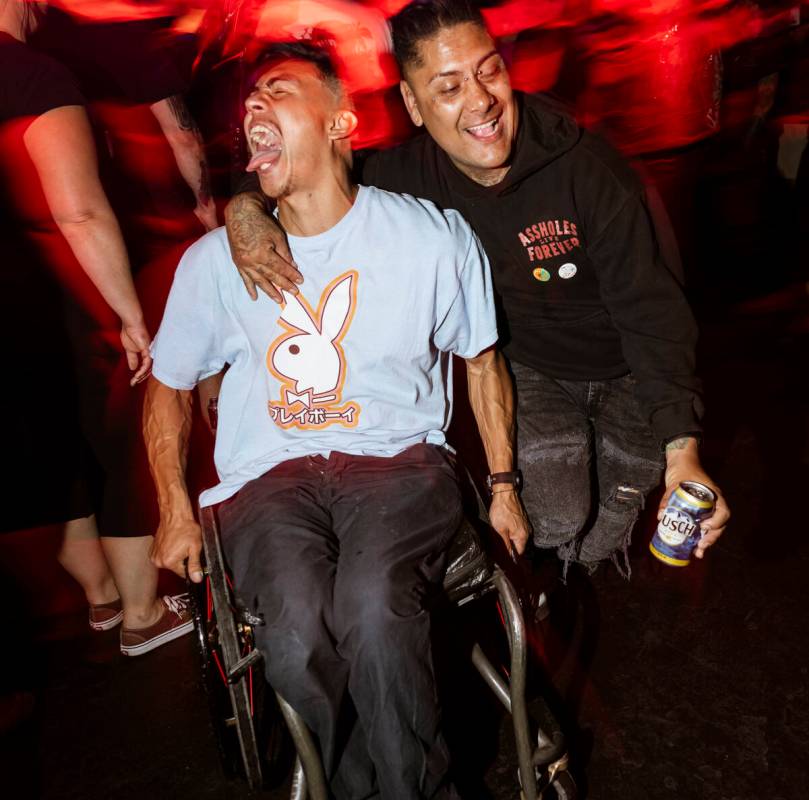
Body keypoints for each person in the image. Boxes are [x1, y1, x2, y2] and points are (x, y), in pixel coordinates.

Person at [145, 41, 529, 799]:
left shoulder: (428, 239)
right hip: (268, 479)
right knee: (291, 623)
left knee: (370, 603)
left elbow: (482, 363)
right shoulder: (216, 261)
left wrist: (504, 485)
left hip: (397, 464)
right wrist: (171, 512)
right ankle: (362, 780)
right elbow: (166, 386)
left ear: (339, 123)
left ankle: (399, 789)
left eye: (277, 92)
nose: (253, 105)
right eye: (249, 98)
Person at [225, 0, 730, 574]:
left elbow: (652, 314)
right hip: (531, 367)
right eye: (448, 87)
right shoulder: (406, 175)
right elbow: (311, 163)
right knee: (559, 514)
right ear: (413, 106)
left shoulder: (590, 172)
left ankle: (583, 568)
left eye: (488, 71)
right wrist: (245, 201)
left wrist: (682, 451)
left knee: (623, 501)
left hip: (628, 370)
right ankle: (553, 574)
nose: (481, 99)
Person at [0, 0, 192, 654]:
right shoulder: (30, 74)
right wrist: (129, 314)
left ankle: (102, 597)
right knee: (119, 438)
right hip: (53, 300)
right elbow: (78, 210)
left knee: (56, 453)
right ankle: (143, 612)